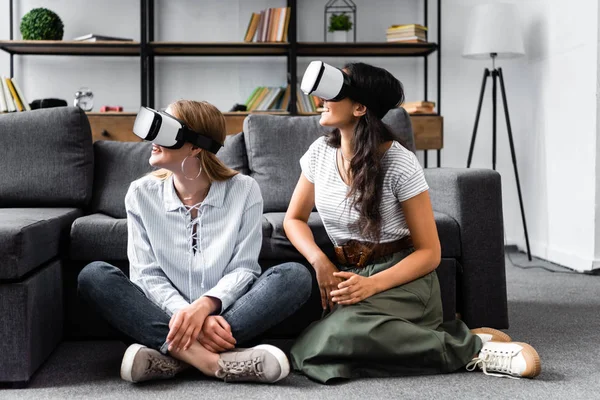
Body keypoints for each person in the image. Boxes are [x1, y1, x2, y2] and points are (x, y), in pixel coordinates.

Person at [284, 62, 541, 383]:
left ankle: (475, 350)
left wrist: (372, 285)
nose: (320, 101)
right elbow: (294, 219)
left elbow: (429, 252)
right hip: (350, 278)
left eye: (333, 94)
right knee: (309, 348)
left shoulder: (398, 162)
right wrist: (319, 260)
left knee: (335, 338)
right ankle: (450, 339)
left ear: (360, 107)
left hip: (400, 277)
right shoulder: (319, 153)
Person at [78, 99, 312, 384]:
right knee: (94, 276)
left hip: (225, 312)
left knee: (294, 276)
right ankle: (213, 362)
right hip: (164, 310)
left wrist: (203, 308)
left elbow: (244, 269)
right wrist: (183, 313)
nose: (152, 139)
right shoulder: (140, 193)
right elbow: (146, 274)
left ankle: (170, 357)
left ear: (196, 146)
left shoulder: (245, 190)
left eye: (164, 130)